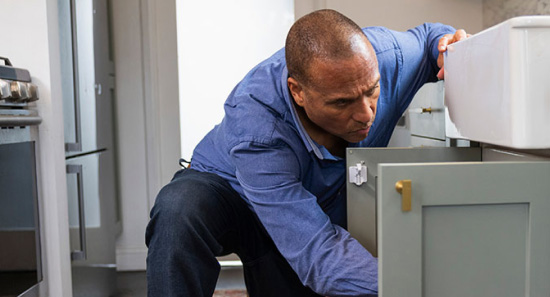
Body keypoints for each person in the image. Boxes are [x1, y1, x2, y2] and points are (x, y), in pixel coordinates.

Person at [146, 9, 468, 297]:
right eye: (342, 102)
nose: (366, 114)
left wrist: (445, 45)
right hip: (230, 187)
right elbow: (317, 253)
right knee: (180, 210)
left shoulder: (388, 55)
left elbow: (429, 39)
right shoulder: (257, 125)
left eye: (372, 91)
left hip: (307, 197)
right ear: (297, 92)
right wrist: (419, 284)